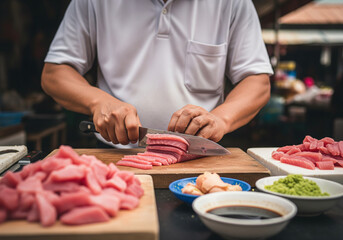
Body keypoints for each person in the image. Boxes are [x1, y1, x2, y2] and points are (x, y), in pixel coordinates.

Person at [41, 0, 273, 148]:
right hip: (114, 157)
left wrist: (221, 119)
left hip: (200, 154)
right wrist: (98, 101)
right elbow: (55, 73)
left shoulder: (233, 3)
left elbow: (256, 81)